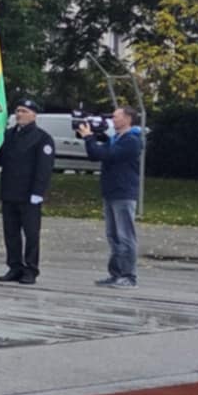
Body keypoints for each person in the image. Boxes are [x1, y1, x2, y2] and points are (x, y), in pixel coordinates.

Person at [79, 105, 143, 287]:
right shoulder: (116, 138)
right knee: (113, 235)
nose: (112, 120)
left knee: (125, 235)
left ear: (128, 119)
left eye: (116, 117)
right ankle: (116, 273)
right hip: (111, 191)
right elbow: (94, 154)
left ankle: (129, 276)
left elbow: (107, 154)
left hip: (124, 192)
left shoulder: (132, 140)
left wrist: (89, 137)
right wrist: (93, 136)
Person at [0, 98, 55, 283]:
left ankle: (31, 268)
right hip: (9, 191)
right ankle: (14, 266)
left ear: (34, 114)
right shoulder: (7, 135)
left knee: (31, 233)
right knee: (11, 233)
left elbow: (43, 168)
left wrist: (38, 191)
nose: (19, 114)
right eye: (18, 111)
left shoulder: (42, 138)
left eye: (24, 111)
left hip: (29, 194)